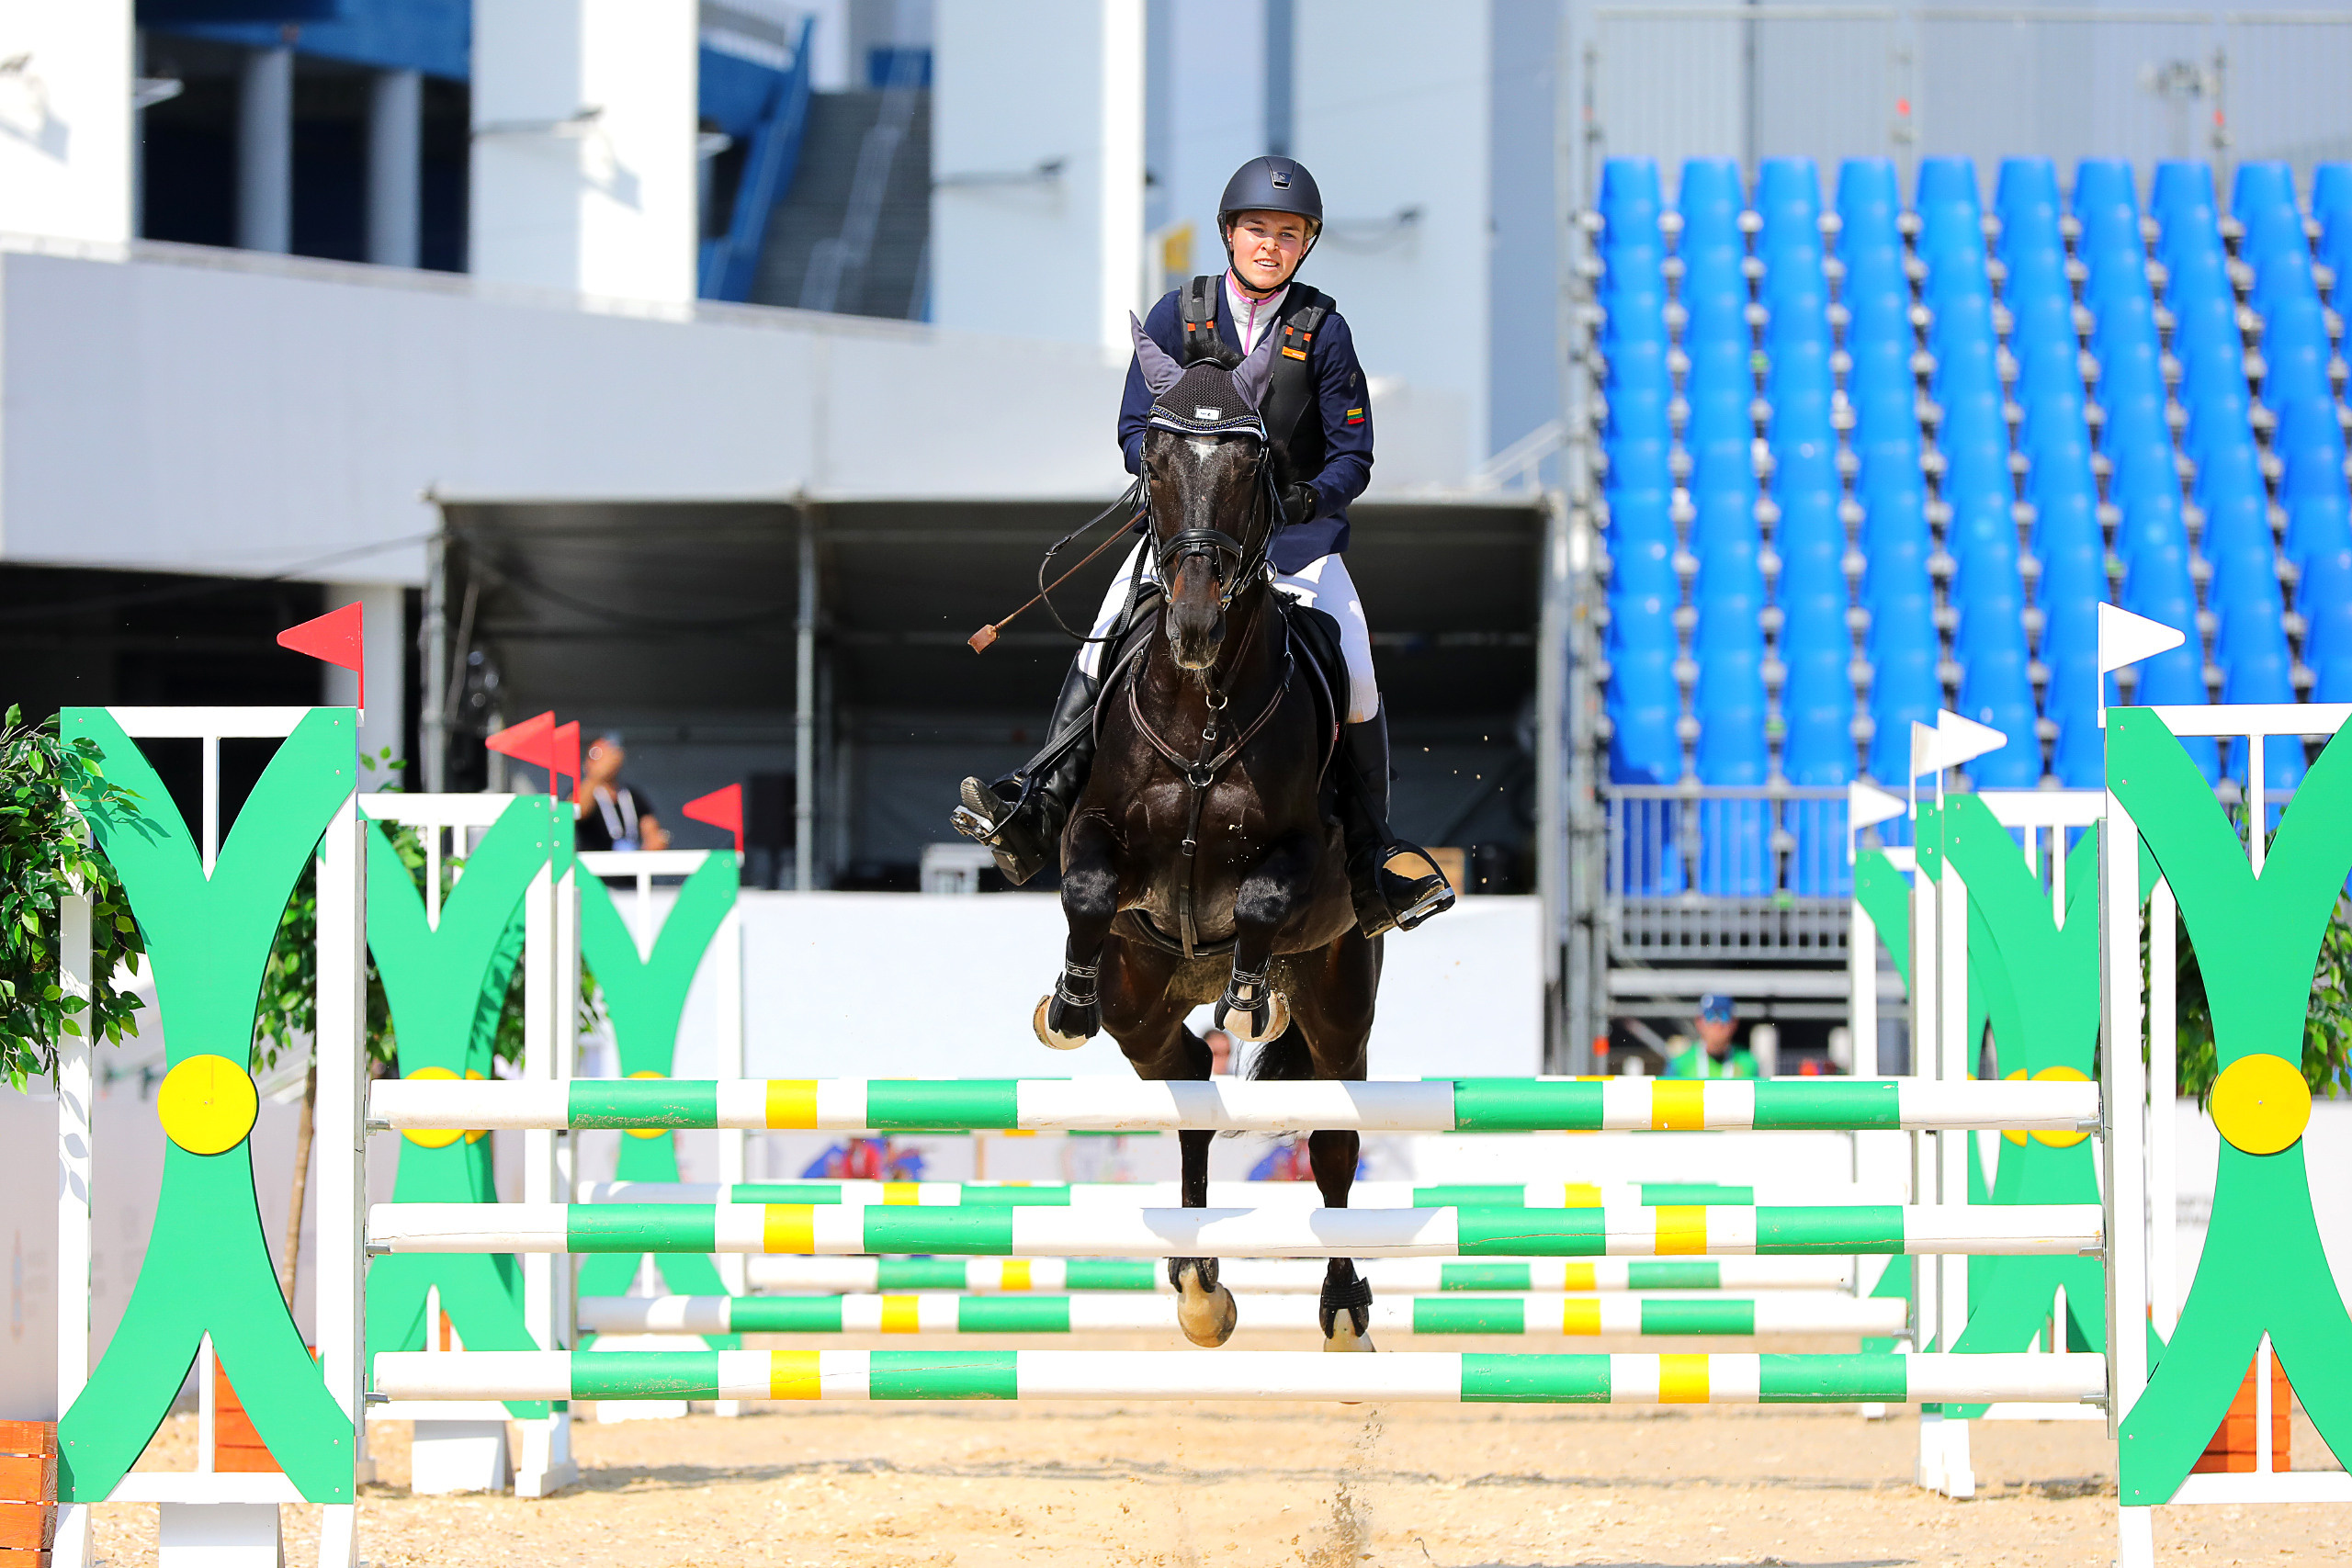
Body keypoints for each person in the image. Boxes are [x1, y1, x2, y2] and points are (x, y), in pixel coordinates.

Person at [952, 154, 1453, 938]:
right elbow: (1131, 425)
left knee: (1355, 668)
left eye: (1289, 234)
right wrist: (1174, 487)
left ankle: (1371, 859)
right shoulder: (1177, 316)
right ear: (1229, 232)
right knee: (1105, 636)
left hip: (1297, 540)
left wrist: (1304, 497)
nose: (1271, 245)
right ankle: (1038, 800)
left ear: (1305, 245)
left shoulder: (1321, 329)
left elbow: (1354, 454)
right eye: (1258, 229)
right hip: (1188, 535)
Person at [574, 733, 670, 852]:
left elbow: (651, 829)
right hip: (593, 868)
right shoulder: (585, 793)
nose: (605, 760)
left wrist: (654, 842)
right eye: (595, 754)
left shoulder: (631, 795)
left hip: (629, 867)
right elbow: (578, 811)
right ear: (586, 763)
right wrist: (596, 775)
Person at [1664, 994, 1758, 1079]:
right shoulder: (1680, 1063)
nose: (1717, 1024)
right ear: (1699, 1022)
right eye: (1710, 1016)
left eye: (1724, 1016)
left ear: (1734, 1023)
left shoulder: (1748, 1062)